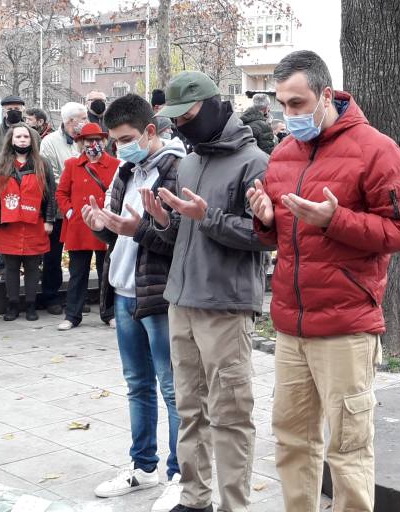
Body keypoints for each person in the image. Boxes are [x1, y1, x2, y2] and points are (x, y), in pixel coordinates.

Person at [246, 50, 400, 512]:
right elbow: (283, 236)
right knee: (291, 439)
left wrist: (335, 220)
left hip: (346, 326)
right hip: (291, 325)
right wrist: (266, 220)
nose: (289, 114)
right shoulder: (283, 153)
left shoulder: (376, 149)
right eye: (283, 104)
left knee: (348, 446)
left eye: (298, 103)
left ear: (326, 95)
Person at [146, 70, 271, 512]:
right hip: (182, 301)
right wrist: (164, 221)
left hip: (225, 306)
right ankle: (194, 498)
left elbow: (265, 236)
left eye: (189, 115)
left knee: (230, 414)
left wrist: (208, 218)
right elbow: (187, 231)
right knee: (189, 409)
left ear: (215, 107)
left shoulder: (255, 162)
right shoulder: (190, 161)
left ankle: (234, 505)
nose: (182, 125)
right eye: (175, 118)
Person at [81, 94, 185, 511]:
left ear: (150, 131)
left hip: (158, 296)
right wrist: (101, 226)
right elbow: (117, 233)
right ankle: (143, 467)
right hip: (123, 290)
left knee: (173, 388)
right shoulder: (126, 171)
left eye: (126, 139)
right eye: (115, 140)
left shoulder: (177, 170)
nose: (119, 147)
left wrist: (136, 229)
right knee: (137, 385)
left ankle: (181, 475)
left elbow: (179, 241)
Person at [0, 123, 55, 321]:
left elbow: (51, 194)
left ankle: (31, 305)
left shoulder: (42, 163)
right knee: (11, 267)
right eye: (18, 137)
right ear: (11, 140)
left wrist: (49, 219)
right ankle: (12, 305)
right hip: (9, 224)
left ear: (32, 140)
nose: (22, 140)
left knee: (32, 267)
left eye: (26, 137)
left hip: (35, 223)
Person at [54, 122, 119, 331]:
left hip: (105, 227)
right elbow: (61, 193)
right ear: (81, 143)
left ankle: (109, 313)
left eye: (97, 140)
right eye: (89, 140)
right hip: (79, 226)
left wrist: (111, 216)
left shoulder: (116, 164)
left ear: (104, 141)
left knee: (106, 272)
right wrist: (70, 212)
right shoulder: (72, 164)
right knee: (77, 273)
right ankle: (72, 315)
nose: (93, 144)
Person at [39, 102, 87, 314]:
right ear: (70, 121)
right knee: (53, 256)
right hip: (58, 210)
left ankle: (77, 299)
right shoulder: (49, 142)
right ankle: (51, 297)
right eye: (83, 118)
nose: (86, 121)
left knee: (80, 257)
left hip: (82, 211)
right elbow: (51, 177)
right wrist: (76, 191)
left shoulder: (86, 141)